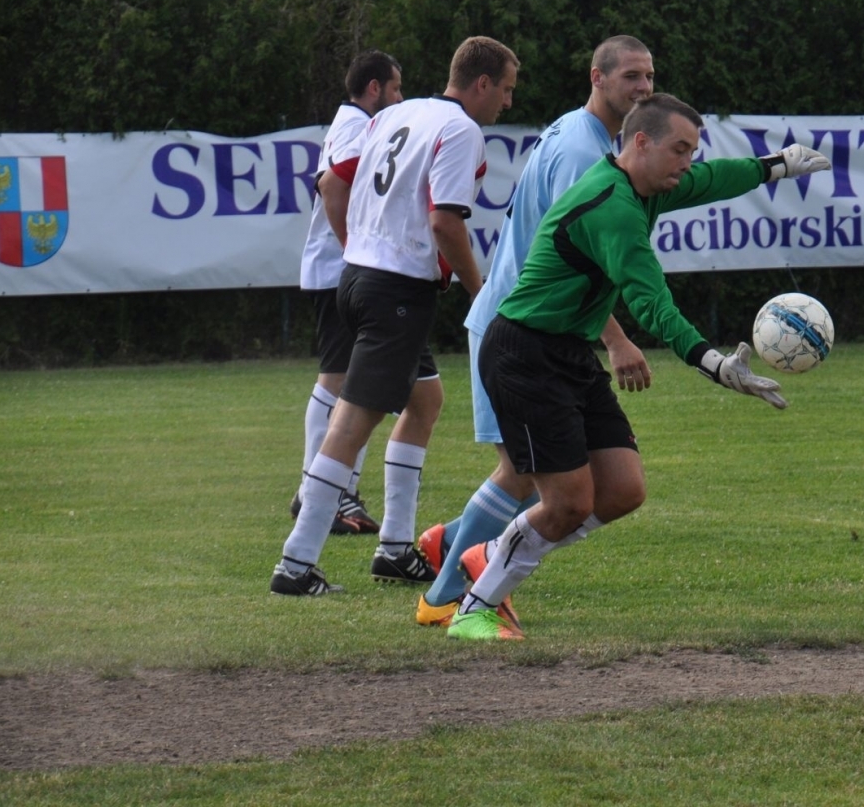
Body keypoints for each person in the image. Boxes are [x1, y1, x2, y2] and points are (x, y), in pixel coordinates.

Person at [445, 93, 830, 638]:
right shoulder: (613, 206)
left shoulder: (647, 184)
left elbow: (713, 179)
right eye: (680, 149)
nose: (688, 163)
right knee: (567, 503)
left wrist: (776, 166)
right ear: (641, 142)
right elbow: (652, 304)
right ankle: (474, 607)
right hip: (525, 355)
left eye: (692, 150)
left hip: (568, 352)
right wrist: (715, 364)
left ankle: (496, 551)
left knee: (624, 490)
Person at [414, 36, 656, 628]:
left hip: (529, 324)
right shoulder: (582, 151)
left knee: (538, 476)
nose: (643, 88)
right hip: (519, 327)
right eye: (631, 76)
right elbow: (572, 255)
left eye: (649, 77)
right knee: (525, 474)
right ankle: (444, 597)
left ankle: (453, 544)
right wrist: (616, 339)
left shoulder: (584, 134)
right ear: (597, 77)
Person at [271, 36, 519, 596]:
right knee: (352, 422)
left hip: (360, 277)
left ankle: (395, 549)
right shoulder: (460, 130)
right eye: (505, 89)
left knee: (424, 400)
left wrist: (360, 244)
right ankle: (296, 562)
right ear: (481, 83)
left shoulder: (397, 113)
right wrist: (480, 293)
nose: (507, 102)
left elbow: (336, 177)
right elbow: (445, 223)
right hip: (396, 288)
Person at [289, 50, 401, 537]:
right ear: (374, 88)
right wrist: (355, 251)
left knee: (353, 381)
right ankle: (318, 490)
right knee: (338, 380)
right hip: (340, 271)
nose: (399, 97)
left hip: (338, 269)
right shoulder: (358, 126)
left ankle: (330, 490)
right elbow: (332, 186)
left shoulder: (352, 122)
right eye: (395, 88)